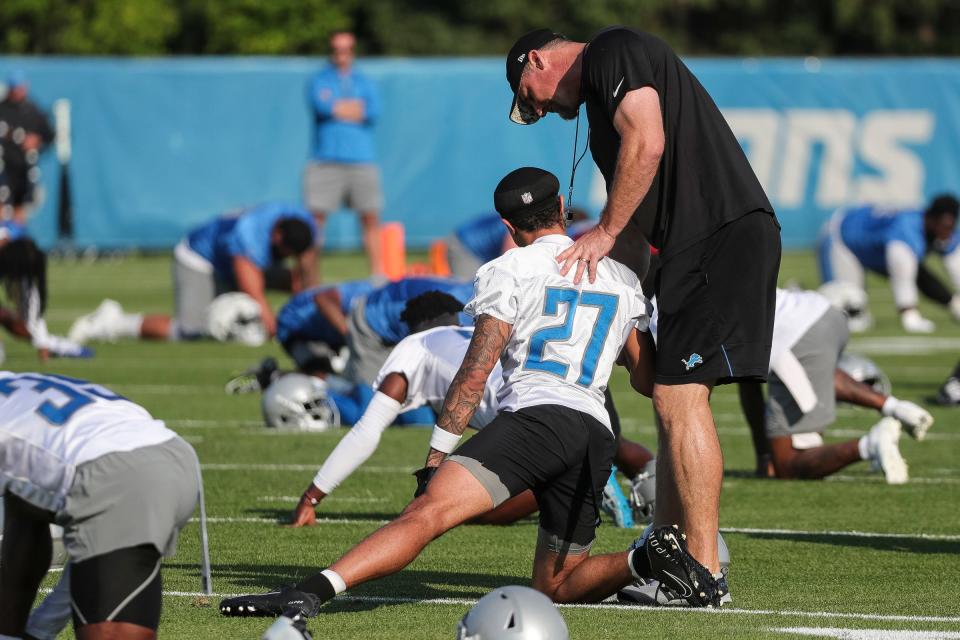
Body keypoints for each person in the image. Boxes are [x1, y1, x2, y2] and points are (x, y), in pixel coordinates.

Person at [219, 167, 727, 627]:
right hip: (595, 433)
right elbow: (646, 379)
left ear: (509, 228)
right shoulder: (618, 279)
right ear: (563, 211)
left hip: (535, 419)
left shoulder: (507, 271)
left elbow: (474, 373)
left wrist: (437, 454)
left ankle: (307, 594)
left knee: (425, 515)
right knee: (556, 586)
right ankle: (646, 556)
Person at [504, 27, 780, 579]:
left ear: (536, 60)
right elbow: (630, 237)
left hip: (717, 237)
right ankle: (671, 553)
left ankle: (700, 569)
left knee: (678, 399)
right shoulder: (606, 122)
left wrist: (601, 233)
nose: (545, 112)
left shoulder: (614, 50)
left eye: (530, 98)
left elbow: (648, 144)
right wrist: (600, 289)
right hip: (693, 249)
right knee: (667, 398)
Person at [285, 290, 655, 529]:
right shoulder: (479, 333)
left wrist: (311, 497)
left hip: (523, 417)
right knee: (605, 442)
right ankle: (647, 473)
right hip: (578, 397)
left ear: (414, 327)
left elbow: (368, 430)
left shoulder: (415, 344)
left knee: (473, 509)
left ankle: (570, 486)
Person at [0, 371, 199, 640]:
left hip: (117, 477)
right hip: (171, 452)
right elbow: (25, 509)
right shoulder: (16, 382)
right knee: (25, 504)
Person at [737, 288, 933, 483]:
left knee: (788, 464)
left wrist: (764, 455)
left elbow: (749, 384)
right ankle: (895, 407)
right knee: (815, 372)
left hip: (795, 337)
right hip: (825, 313)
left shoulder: (713, 302)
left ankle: (869, 445)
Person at [67, 202, 316, 343]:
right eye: (285, 252)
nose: (287, 259)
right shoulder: (248, 235)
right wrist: (280, 333)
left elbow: (307, 276)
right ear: (277, 236)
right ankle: (112, 323)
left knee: (295, 284)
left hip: (230, 260)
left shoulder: (302, 222)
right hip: (199, 260)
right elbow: (254, 292)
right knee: (190, 330)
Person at [818, 195, 960, 333]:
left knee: (859, 320)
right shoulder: (905, 232)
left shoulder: (939, 231)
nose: (946, 232)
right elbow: (903, 275)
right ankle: (799, 296)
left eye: (950, 227)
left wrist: (954, 305)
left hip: (873, 250)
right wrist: (910, 315)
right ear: (930, 219)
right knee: (850, 316)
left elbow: (954, 266)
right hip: (842, 238)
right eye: (943, 226)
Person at [304, 31, 383, 278]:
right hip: (325, 160)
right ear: (331, 51)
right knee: (315, 221)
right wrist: (351, 108)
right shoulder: (319, 80)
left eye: (346, 49)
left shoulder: (364, 81)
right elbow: (325, 107)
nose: (341, 54)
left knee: (370, 217)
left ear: (353, 50)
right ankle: (310, 280)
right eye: (337, 49)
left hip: (361, 160)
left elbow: (371, 111)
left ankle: (377, 276)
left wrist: (341, 108)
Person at [341, 275, 474, 386]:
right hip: (373, 324)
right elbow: (424, 353)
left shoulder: (476, 298)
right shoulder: (454, 312)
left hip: (409, 331)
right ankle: (326, 398)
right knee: (370, 406)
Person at [0, 226, 90, 359]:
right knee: (18, 322)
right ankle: (54, 345)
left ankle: (56, 346)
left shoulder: (18, 265)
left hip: (26, 286)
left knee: (24, 323)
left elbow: (34, 303)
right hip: (25, 285)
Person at [441, 209, 591, 281]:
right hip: (465, 246)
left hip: (479, 243)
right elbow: (509, 256)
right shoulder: (532, 224)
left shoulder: (543, 220)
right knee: (470, 293)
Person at [0, 71, 54, 224]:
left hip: (24, 170)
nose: (19, 92)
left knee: (20, 212)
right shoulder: (2, 109)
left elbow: (49, 135)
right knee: (2, 211)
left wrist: (37, 141)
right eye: (15, 88)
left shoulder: (33, 110)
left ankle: (16, 244)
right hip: (3, 170)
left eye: (21, 88)